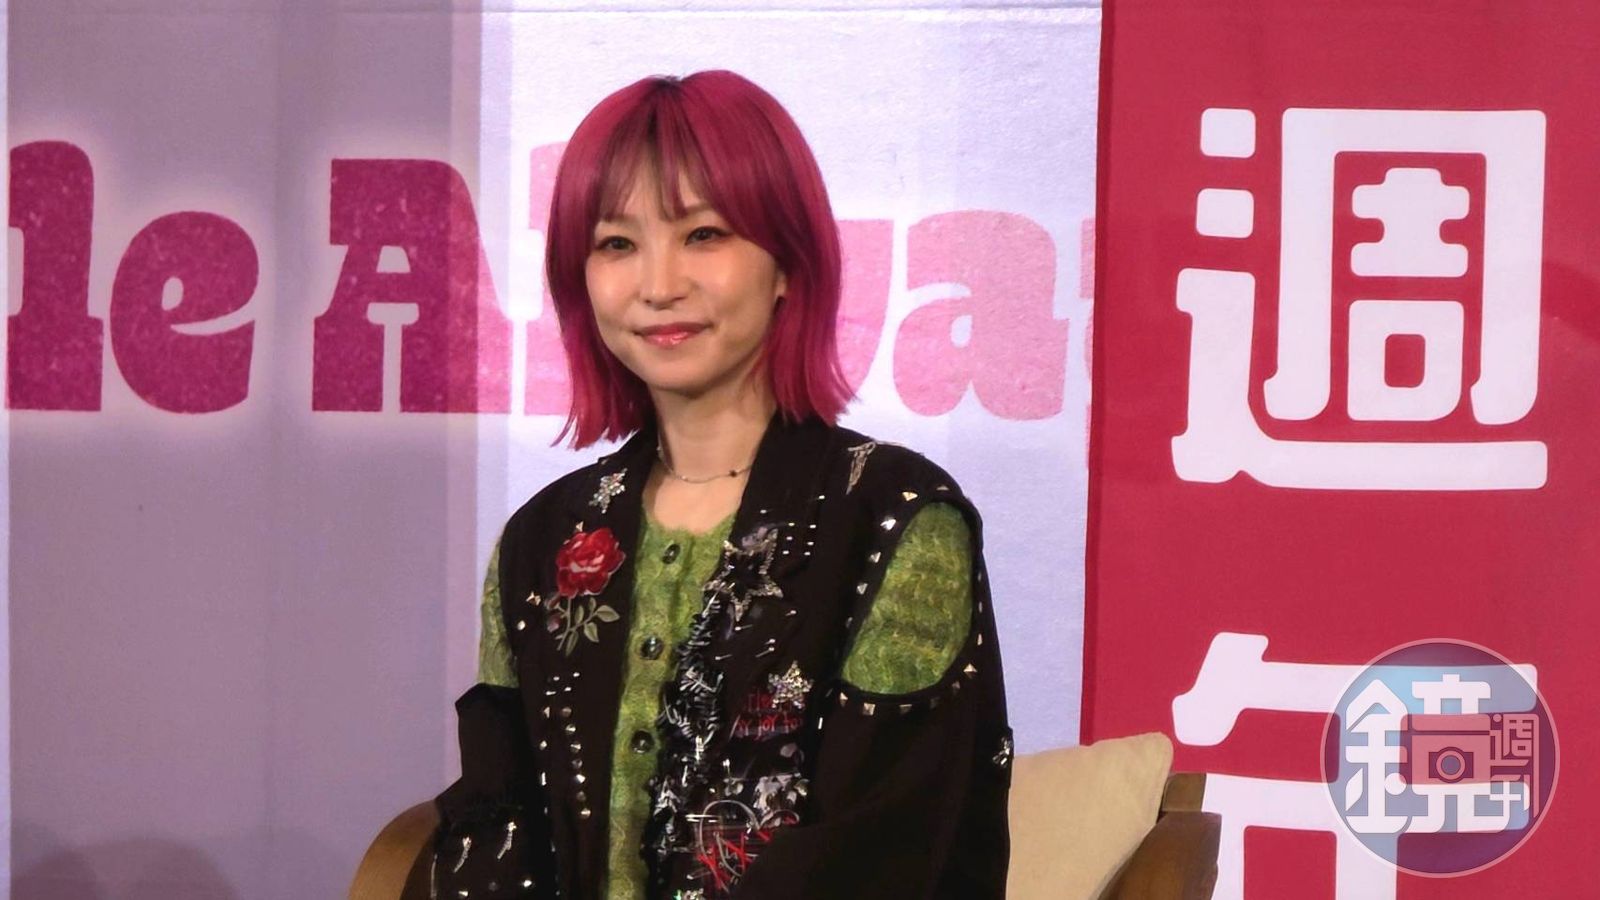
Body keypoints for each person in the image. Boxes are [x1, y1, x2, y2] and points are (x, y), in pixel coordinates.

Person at [432, 70, 1011, 900]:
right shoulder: (542, 538)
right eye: (617, 244)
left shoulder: (896, 519)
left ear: (787, 265)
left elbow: (882, 851)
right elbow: (498, 821)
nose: (658, 284)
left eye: (703, 234)